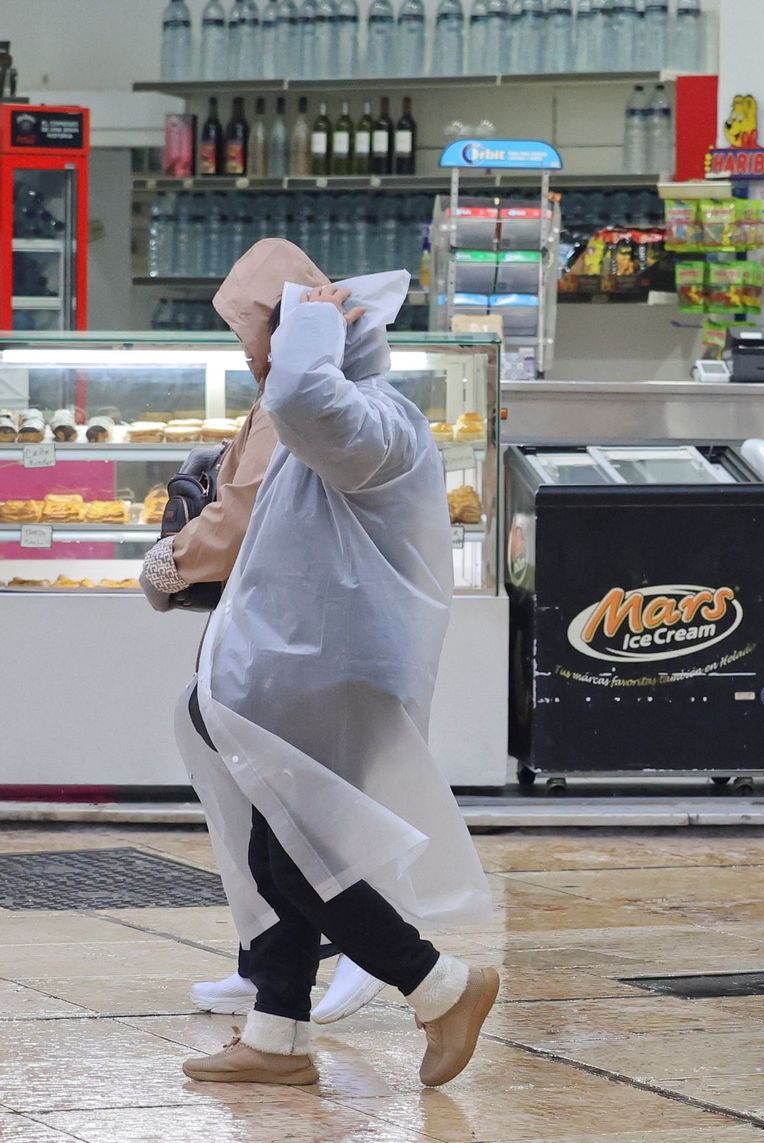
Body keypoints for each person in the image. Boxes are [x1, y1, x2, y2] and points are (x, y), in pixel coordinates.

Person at [150, 242, 498, 1086]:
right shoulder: (342, 422)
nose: (248, 349)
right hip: (304, 677)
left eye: (258, 329)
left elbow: (302, 396)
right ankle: (278, 1036)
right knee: (281, 849)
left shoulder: (371, 422)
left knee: (295, 857)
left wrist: (308, 321)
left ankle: (441, 984)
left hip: (336, 680)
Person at [140, 241, 384, 1028]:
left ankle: (383, 956)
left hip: (303, 642)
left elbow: (241, 516)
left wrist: (168, 562)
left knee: (296, 814)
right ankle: (274, 962)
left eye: (250, 325)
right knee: (250, 789)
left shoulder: (305, 401)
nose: (245, 343)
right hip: (287, 631)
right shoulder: (296, 394)